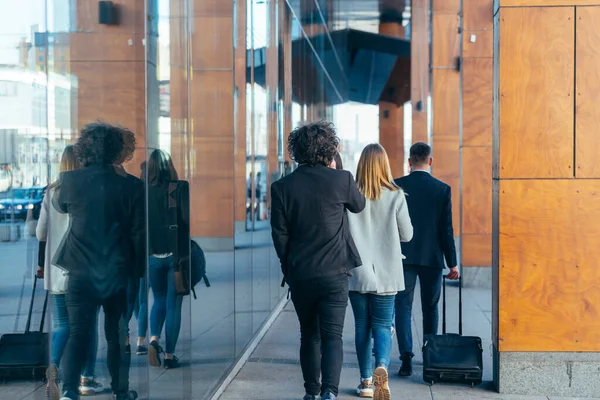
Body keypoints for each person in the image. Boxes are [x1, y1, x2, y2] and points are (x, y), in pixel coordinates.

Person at [271, 121, 366, 400]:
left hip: (301, 273)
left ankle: (311, 393)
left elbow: (280, 235)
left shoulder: (282, 187)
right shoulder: (342, 179)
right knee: (332, 336)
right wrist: (336, 173)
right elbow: (358, 205)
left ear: (297, 151)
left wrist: (288, 267)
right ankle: (329, 392)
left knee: (309, 335)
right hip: (335, 273)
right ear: (328, 149)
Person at [54, 122, 145, 400]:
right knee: (117, 336)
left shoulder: (71, 181)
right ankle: (120, 391)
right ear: (117, 150)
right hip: (116, 272)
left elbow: (61, 206)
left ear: (85, 149)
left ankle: (69, 391)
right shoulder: (131, 186)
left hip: (80, 271)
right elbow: (139, 233)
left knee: (78, 333)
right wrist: (137, 271)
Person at [36, 146, 103, 399]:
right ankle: (87, 378)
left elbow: (40, 233)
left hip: (55, 269)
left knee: (63, 323)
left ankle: (53, 365)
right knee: (88, 325)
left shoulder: (50, 192)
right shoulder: (89, 191)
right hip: (83, 268)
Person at [347, 144, 413, 399]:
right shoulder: (396, 195)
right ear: (385, 164)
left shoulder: (351, 195)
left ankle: (365, 382)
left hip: (358, 272)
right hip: (387, 273)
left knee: (362, 326)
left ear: (362, 165)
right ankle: (381, 366)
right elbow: (406, 235)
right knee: (383, 325)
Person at [394, 142, 459, 377]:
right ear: (430, 161)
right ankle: (429, 355)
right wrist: (452, 262)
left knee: (402, 305)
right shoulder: (442, 189)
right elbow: (446, 230)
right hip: (432, 258)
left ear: (409, 161)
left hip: (403, 256)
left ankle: (406, 357)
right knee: (430, 307)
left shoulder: (396, 186)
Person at [146, 149, 188, 369]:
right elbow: (185, 221)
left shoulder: (142, 191)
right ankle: (170, 356)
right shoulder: (179, 188)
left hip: (152, 255)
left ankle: (153, 340)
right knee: (174, 305)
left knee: (158, 300)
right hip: (175, 258)